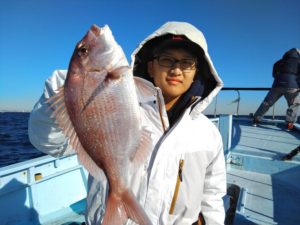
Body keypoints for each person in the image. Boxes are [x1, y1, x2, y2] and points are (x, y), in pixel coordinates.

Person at [28, 21, 226, 225]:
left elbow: (212, 196)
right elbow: (49, 142)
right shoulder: (124, 103)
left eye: (187, 63)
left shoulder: (208, 134)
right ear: (150, 67)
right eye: (167, 60)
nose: (177, 70)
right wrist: (61, 97)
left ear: (196, 72)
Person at [252, 48, 300, 129]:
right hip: (292, 86)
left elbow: (274, 74)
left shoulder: (279, 62)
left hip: (277, 85)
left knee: (266, 103)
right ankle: (289, 123)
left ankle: (256, 120)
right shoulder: (298, 61)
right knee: (294, 105)